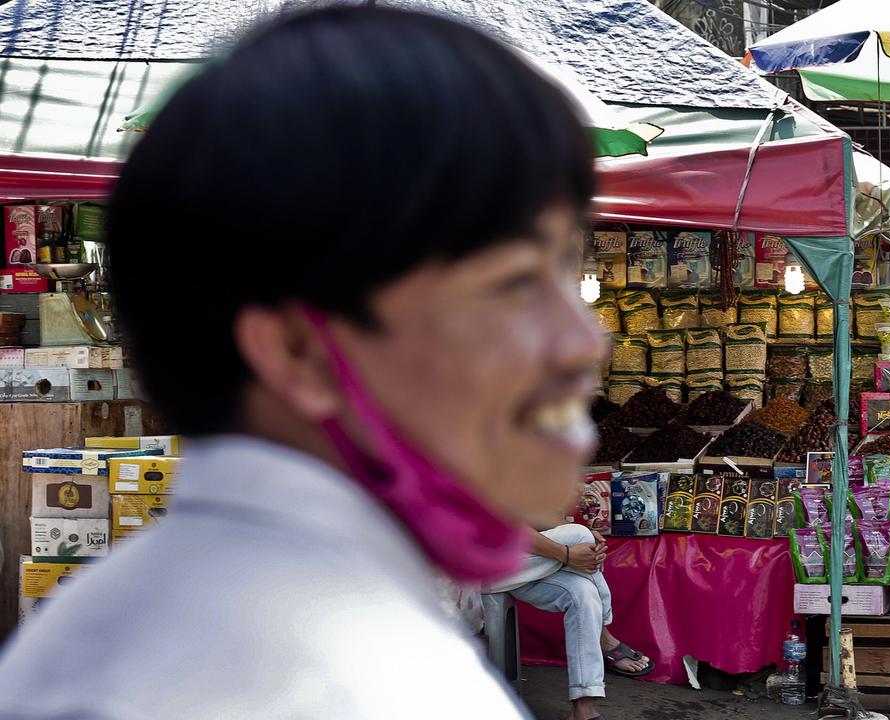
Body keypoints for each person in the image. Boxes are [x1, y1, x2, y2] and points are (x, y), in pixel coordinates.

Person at [0, 6, 605, 718]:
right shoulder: (352, 681)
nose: (582, 341)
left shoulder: (147, 613)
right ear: (299, 350)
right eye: (513, 284)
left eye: (568, 274)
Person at [488, 525, 653, 720]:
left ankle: (583, 706)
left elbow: (536, 517)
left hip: (520, 567)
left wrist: (584, 549)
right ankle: (606, 637)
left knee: (583, 592)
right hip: (474, 567)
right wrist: (567, 554)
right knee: (580, 535)